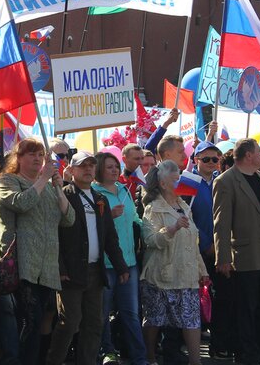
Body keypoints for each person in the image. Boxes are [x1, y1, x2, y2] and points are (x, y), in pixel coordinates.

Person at [0, 138, 75, 365]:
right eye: (31, 154)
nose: (38, 158)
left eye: (40, 154)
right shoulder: (8, 181)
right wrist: (42, 180)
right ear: (18, 158)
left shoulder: (49, 186)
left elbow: (69, 219)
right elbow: (22, 203)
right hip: (21, 263)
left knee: (43, 320)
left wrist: (59, 190)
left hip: (47, 266)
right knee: (30, 320)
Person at [213, 138, 260, 365]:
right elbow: (221, 222)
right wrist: (224, 257)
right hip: (245, 254)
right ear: (248, 155)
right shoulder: (226, 181)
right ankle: (247, 353)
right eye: (259, 151)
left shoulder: (258, 176)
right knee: (246, 306)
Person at [46, 152, 127, 365]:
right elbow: (52, 236)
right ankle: (54, 361)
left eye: (92, 165)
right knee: (70, 322)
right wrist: (60, 268)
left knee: (94, 323)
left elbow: (110, 237)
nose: (89, 169)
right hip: (70, 272)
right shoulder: (61, 195)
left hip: (95, 272)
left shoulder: (100, 199)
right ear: (71, 171)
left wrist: (121, 267)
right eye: (83, 166)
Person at [141, 160, 208, 365]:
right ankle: (150, 357)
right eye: (176, 178)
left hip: (187, 275)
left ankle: (195, 362)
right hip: (162, 275)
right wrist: (172, 229)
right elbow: (151, 240)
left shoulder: (185, 206)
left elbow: (193, 243)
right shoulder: (154, 209)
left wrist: (202, 270)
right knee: (155, 319)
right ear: (163, 184)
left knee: (191, 320)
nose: (180, 181)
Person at [92, 151, 147, 365]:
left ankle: (139, 357)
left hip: (129, 262)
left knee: (131, 313)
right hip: (105, 263)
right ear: (98, 170)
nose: (115, 170)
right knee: (102, 313)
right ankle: (107, 352)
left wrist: (150, 232)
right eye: (109, 167)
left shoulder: (124, 190)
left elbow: (135, 219)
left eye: (116, 166)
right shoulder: (93, 193)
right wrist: (107, 216)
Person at [189, 141, 234, 359]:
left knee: (223, 299)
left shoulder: (222, 181)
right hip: (197, 253)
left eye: (215, 159)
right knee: (197, 301)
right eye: (205, 159)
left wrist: (220, 245)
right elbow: (185, 217)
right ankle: (192, 348)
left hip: (222, 251)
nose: (210, 163)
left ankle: (220, 343)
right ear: (196, 160)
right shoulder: (187, 183)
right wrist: (205, 243)